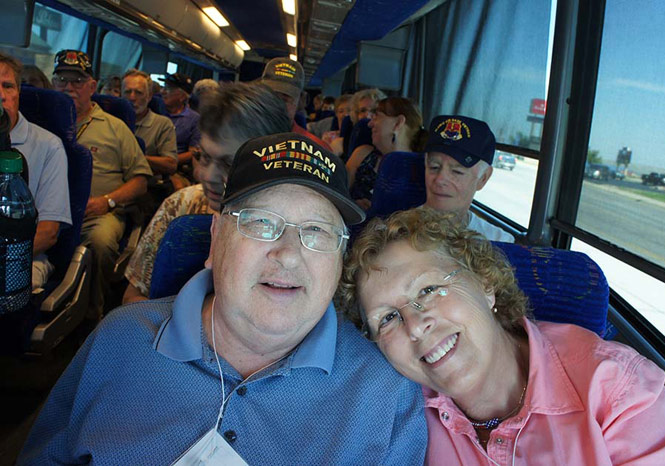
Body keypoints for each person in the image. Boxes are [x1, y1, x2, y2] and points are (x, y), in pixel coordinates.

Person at [19, 133, 427, 464]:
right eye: (261, 222)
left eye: (317, 231)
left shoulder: (385, 394)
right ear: (216, 240)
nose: (288, 254)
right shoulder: (119, 340)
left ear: (339, 260)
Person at [340, 207, 665, 465]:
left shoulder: (617, 391)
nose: (416, 325)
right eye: (388, 318)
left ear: (485, 284)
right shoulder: (395, 413)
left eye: (428, 289)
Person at [122, 81, 291, 304]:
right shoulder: (181, 205)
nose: (206, 175)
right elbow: (132, 297)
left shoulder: (292, 229)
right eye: (204, 157)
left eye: (229, 164)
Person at [52, 50, 152, 316]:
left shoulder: (115, 127)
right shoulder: (43, 124)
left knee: (100, 241)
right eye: (62, 80)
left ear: (92, 87)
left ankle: (92, 312)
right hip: (48, 211)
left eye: (78, 81)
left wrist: (107, 202)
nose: (69, 87)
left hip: (97, 213)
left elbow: (140, 181)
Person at [1, 53, 71, 288]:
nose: (1, 95)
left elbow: (48, 232)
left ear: (18, 93)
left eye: (7, 86)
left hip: (24, 259)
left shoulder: (48, 146)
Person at [422, 115, 514, 242]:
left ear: (483, 178)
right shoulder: (398, 229)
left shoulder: (498, 243)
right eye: (434, 167)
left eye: (457, 172)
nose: (440, 180)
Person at [348, 97, 427, 211]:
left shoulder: (423, 170)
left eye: (377, 117)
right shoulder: (361, 155)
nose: (370, 124)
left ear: (398, 123)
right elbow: (339, 194)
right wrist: (352, 206)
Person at [122, 69, 178, 215]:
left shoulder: (162, 124)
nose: (132, 98)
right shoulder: (111, 123)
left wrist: (136, 157)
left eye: (138, 93)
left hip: (146, 188)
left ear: (149, 97)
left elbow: (171, 164)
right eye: (127, 92)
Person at [259, 57, 331, 150]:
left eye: (284, 99)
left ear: (300, 102)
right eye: (270, 96)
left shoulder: (317, 150)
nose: (276, 105)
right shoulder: (241, 134)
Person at [163, 72, 201, 191]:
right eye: (164, 87)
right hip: (152, 162)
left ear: (182, 97)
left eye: (169, 89)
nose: (163, 92)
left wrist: (169, 162)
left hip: (177, 168)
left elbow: (193, 152)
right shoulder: (156, 112)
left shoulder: (194, 119)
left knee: (179, 187)